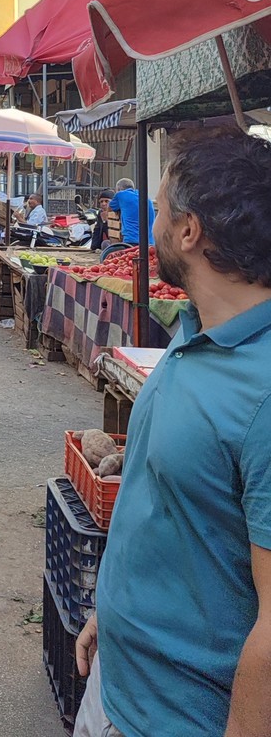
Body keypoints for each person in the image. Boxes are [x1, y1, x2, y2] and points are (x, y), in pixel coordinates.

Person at [73, 128, 271, 737]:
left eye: (159, 209)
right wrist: (112, 611)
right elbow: (166, 501)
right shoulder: (194, 329)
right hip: (118, 679)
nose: (151, 223)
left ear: (189, 231)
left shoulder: (263, 392)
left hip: (176, 716)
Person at [108, 177, 155, 245]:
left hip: (132, 241)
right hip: (150, 243)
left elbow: (109, 208)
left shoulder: (121, 194)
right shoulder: (146, 197)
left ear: (119, 189)